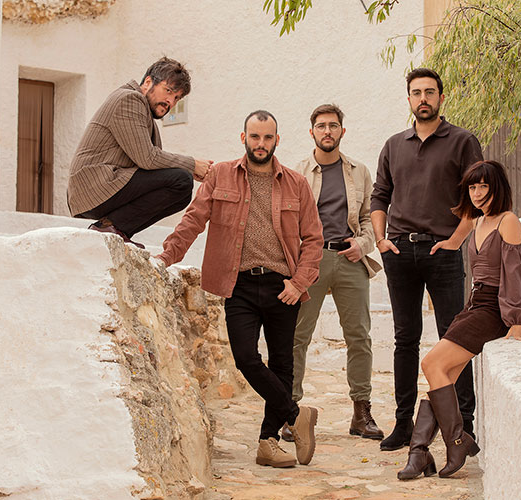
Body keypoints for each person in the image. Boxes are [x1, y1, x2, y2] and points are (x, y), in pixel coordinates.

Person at [156, 110, 324, 468]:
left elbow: (313, 239)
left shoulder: (296, 183)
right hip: (239, 283)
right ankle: (296, 414)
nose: (261, 144)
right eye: (255, 137)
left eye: (267, 137)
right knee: (246, 358)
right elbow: (193, 220)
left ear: (276, 140)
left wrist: (299, 283)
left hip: (282, 286)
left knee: (282, 364)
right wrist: (166, 256)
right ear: (243, 138)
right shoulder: (220, 175)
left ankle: (268, 442)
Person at [397, 159, 521, 480]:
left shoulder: (508, 221)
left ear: (497, 187)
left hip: (493, 310)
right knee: (442, 376)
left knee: (431, 364)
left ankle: (456, 442)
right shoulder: (478, 221)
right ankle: (420, 453)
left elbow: (516, 272)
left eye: (483, 185)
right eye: (472, 187)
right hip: (474, 305)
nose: (477, 193)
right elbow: (462, 247)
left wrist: (517, 320)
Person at [371, 68, 484, 451]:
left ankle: (464, 427)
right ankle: (403, 424)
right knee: (405, 339)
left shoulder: (463, 141)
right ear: (409, 99)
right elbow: (380, 195)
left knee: (455, 337)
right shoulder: (393, 145)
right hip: (400, 252)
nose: (423, 98)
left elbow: (477, 197)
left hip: (442, 252)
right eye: (416, 92)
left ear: (441, 97)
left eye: (430, 92)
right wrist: (381, 240)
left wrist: (455, 241)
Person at [283, 104, 384, 443]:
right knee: (297, 337)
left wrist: (363, 244)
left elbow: (369, 216)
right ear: (312, 132)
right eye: (321, 126)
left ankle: (361, 413)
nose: (327, 131)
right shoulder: (297, 173)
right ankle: (289, 413)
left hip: (349, 258)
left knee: (359, 337)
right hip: (310, 261)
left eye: (333, 126)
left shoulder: (359, 171)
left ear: (342, 131)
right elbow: (286, 222)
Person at [67, 56, 212, 248]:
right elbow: (147, 159)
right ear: (148, 82)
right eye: (168, 90)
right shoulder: (129, 99)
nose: (170, 101)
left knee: (182, 192)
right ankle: (109, 228)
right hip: (95, 186)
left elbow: (154, 166)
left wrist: (189, 169)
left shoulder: (144, 113)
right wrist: (192, 164)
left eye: (177, 98)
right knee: (180, 180)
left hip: (106, 185)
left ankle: (116, 230)